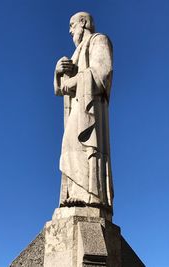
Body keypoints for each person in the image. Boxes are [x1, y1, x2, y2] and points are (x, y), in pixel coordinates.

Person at [54, 12, 114, 220]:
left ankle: (91, 195)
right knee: (69, 147)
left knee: (87, 145)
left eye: (72, 25)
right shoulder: (76, 52)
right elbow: (62, 88)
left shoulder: (99, 40)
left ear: (84, 23)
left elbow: (101, 73)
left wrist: (73, 81)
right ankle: (77, 192)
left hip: (90, 107)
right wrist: (59, 72)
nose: (70, 31)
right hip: (78, 107)